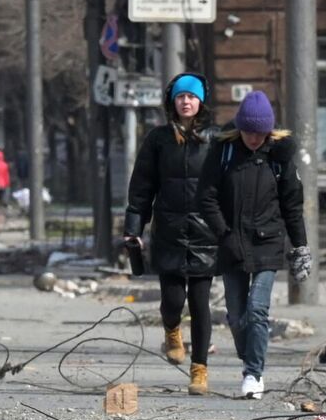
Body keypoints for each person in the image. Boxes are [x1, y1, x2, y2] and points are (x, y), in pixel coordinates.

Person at [196, 90, 309, 400]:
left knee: (257, 310)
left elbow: (292, 204)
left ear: (270, 131)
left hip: (268, 243)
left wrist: (300, 247)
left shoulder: (280, 156)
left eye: (261, 133)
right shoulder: (223, 151)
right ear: (240, 128)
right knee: (236, 316)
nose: (255, 139)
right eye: (249, 132)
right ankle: (250, 358)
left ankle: (253, 374)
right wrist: (223, 234)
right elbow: (205, 196)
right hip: (232, 242)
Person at [122, 73, 219, 396]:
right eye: (180, 97)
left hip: (207, 233)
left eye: (191, 96)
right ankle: (172, 331)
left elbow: (231, 185)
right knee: (173, 300)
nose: (186, 101)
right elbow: (141, 188)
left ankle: (200, 370)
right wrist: (134, 228)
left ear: (201, 100)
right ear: (172, 102)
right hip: (169, 232)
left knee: (201, 303)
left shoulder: (216, 139)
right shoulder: (158, 139)